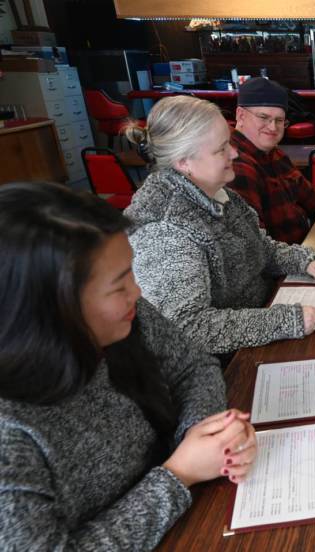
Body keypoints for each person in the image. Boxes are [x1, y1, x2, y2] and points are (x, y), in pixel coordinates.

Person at [0, 182, 257, 549]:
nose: (136, 293)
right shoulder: (10, 434)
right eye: (117, 285)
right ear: (50, 308)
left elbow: (194, 365)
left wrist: (204, 435)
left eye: (130, 273)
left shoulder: (124, 316)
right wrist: (179, 473)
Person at [124, 96, 315, 357]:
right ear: (183, 162)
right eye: (221, 149)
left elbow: (259, 249)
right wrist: (284, 321)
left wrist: (303, 260)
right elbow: (188, 329)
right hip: (223, 366)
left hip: (258, 327)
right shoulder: (164, 232)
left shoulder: (218, 193)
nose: (234, 153)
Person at [228, 77, 315, 245]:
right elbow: (255, 247)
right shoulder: (234, 164)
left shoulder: (275, 154)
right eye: (263, 117)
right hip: (283, 266)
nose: (273, 127)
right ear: (240, 115)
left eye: (279, 120)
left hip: (304, 250)